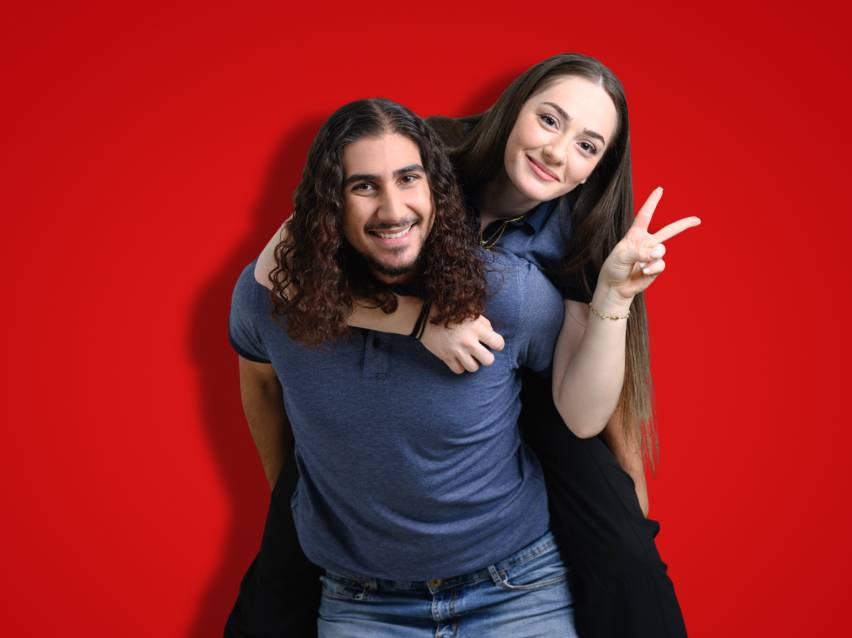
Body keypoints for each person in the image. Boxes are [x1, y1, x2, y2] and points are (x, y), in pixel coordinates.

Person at [228, 54, 699, 637]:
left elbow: (595, 398)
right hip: (389, 356)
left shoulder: (580, 235)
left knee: (629, 564)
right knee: (284, 569)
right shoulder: (424, 152)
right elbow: (278, 271)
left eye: (587, 146)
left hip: (522, 374)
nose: (557, 152)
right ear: (512, 110)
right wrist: (422, 321)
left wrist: (630, 504)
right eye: (549, 121)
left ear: (597, 170)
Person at [229, 98, 576, 636]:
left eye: (408, 179)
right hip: (361, 601)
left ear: (435, 189)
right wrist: (295, 497)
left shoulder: (510, 294)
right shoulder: (265, 299)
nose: (393, 210)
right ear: (330, 204)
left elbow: (581, 400)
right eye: (363, 186)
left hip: (516, 587)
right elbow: (259, 378)